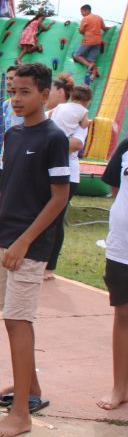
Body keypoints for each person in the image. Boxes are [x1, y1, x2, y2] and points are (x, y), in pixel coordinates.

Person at [0, 62, 69, 437]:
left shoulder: (54, 138)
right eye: (13, 92)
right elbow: (4, 188)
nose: (16, 99)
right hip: (5, 238)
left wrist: (24, 241)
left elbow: (59, 198)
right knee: (11, 317)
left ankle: (21, 414)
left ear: (45, 95)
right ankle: (28, 387)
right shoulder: (13, 134)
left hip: (29, 246)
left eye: (25, 92)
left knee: (19, 321)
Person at [43, 81, 91, 280]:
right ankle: (36, 258)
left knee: (55, 219)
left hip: (68, 173)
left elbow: (77, 144)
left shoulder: (66, 112)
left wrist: (51, 143)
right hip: (47, 169)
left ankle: (49, 265)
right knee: (39, 215)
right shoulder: (74, 113)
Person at [98, 135, 128, 411]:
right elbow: (117, 189)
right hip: (121, 248)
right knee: (123, 315)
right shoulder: (127, 146)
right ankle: (120, 387)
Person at [74, 4, 110, 84]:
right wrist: (110, 29)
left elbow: (81, 30)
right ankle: (94, 74)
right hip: (98, 41)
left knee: (77, 55)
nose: (81, 14)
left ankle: (92, 68)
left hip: (88, 40)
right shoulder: (99, 18)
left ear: (87, 10)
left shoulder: (85, 18)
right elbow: (104, 29)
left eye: (82, 12)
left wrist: (83, 32)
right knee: (91, 59)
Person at [0, 65, 23, 134]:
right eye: (7, 78)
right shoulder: (6, 104)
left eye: (11, 78)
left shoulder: (27, 103)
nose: (8, 82)